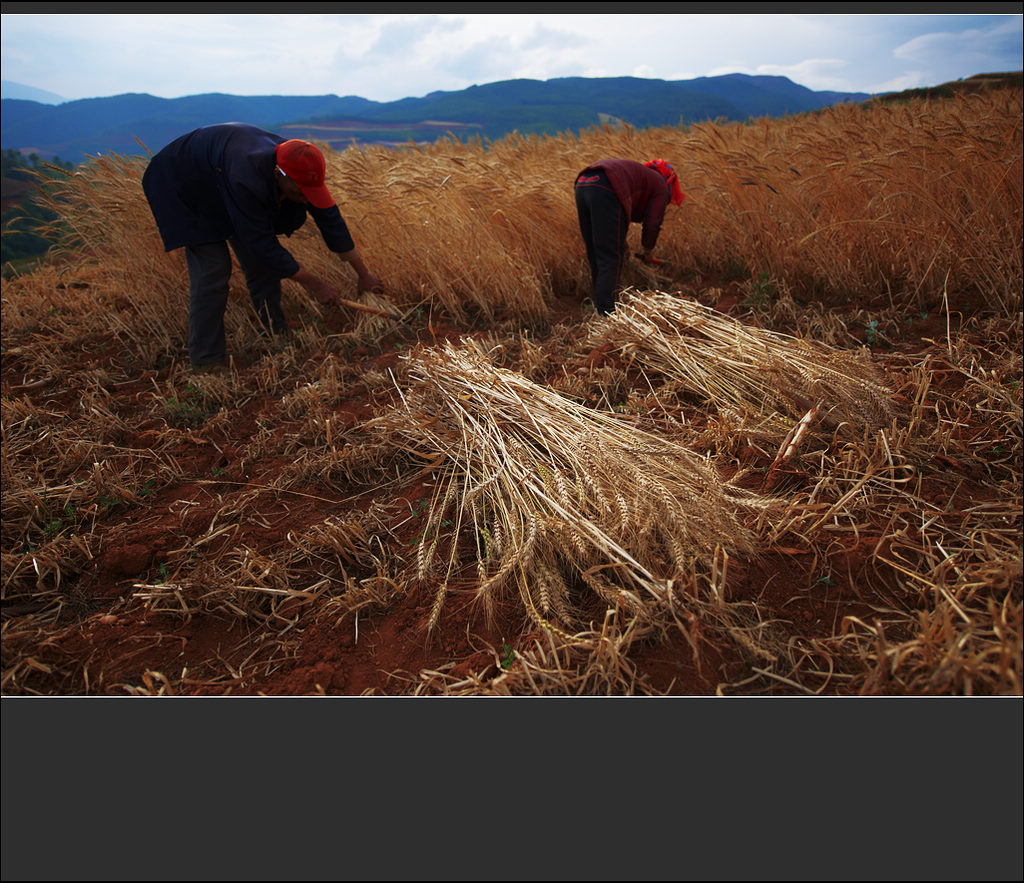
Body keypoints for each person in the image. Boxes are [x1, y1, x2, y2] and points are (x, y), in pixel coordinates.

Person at [141, 122, 384, 367]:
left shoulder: (301, 166)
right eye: (300, 191)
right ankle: (206, 361)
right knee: (213, 272)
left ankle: (275, 331)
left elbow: (330, 221)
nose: (305, 197)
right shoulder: (246, 177)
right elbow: (260, 241)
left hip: (220, 173)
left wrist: (363, 275)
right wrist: (314, 283)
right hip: (182, 184)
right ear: (280, 174)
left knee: (261, 264)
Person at [573, 157, 685, 316]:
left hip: (584, 182)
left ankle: (598, 305)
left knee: (595, 252)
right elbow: (653, 223)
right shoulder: (661, 184)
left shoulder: (643, 175)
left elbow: (612, 221)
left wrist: (621, 241)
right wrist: (647, 251)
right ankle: (607, 314)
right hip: (608, 185)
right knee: (610, 257)